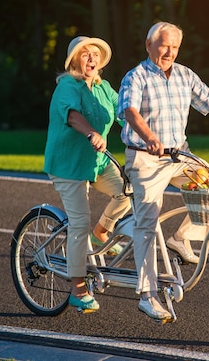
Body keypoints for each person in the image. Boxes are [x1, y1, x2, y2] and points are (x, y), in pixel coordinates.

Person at [117, 22, 209, 320]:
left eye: (174, 47)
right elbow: (129, 111)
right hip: (146, 157)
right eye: (164, 45)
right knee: (147, 221)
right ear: (149, 45)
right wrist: (151, 138)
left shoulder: (184, 75)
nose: (169, 52)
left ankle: (181, 238)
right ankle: (147, 295)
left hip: (179, 155)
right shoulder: (136, 76)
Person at [44, 36, 131, 313]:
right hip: (69, 164)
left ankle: (101, 233)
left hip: (96, 162)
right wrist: (92, 132)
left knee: (126, 192)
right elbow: (71, 116)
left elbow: (125, 113)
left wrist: (147, 129)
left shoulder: (104, 88)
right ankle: (77, 289)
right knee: (79, 224)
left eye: (95, 54)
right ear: (74, 61)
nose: (91, 58)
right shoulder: (68, 85)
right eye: (85, 54)